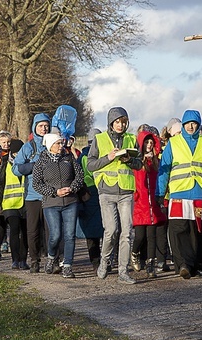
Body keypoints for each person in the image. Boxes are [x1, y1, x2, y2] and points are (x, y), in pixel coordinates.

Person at [156, 110, 202, 279]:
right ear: (183, 125)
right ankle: (183, 264)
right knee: (178, 230)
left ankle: (194, 265)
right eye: (188, 123)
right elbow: (164, 168)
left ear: (199, 125)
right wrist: (160, 192)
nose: (191, 126)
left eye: (194, 123)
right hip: (179, 194)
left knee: (197, 231)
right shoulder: (174, 143)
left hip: (200, 195)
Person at [87, 107, 143, 284]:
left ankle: (123, 272)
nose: (121, 125)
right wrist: (108, 158)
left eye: (124, 122)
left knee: (127, 233)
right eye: (117, 122)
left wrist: (130, 160)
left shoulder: (131, 139)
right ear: (111, 122)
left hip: (126, 192)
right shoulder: (99, 139)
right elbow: (90, 165)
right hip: (106, 192)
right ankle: (104, 261)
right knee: (111, 231)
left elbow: (139, 164)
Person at [32, 133, 85, 279]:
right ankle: (51, 257)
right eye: (58, 144)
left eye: (61, 143)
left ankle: (67, 266)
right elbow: (36, 184)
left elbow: (80, 176)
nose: (61, 146)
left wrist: (72, 188)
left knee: (70, 235)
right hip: (51, 203)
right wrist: (54, 192)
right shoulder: (41, 162)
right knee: (55, 235)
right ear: (50, 145)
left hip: (70, 202)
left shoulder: (69, 158)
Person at [13, 113, 51, 273]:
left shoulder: (54, 144)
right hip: (32, 196)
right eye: (41, 126)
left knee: (51, 231)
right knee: (33, 230)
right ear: (35, 127)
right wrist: (33, 166)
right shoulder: (28, 147)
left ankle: (52, 260)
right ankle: (34, 261)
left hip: (51, 195)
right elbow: (16, 169)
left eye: (46, 126)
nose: (44, 128)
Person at [131, 129, 166, 278]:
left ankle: (151, 264)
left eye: (152, 143)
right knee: (140, 236)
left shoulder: (156, 161)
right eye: (147, 142)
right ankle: (135, 253)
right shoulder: (137, 161)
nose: (149, 145)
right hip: (140, 202)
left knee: (152, 236)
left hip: (153, 203)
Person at [0, 138, 29, 270]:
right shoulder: (5, 164)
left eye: (20, 152)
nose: (17, 155)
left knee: (25, 232)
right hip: (9, 204)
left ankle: (23, 260)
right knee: (14, 230)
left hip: (25, 203)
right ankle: (15, 260)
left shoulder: (28, 164)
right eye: (15, 152)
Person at [76, 128, 104, 270]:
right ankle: (99, 261)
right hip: (95, 194)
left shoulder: (83, 157)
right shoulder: (89, 157)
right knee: (103, 231)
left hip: (90, 195)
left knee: (93, 234)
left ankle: (97, 261)